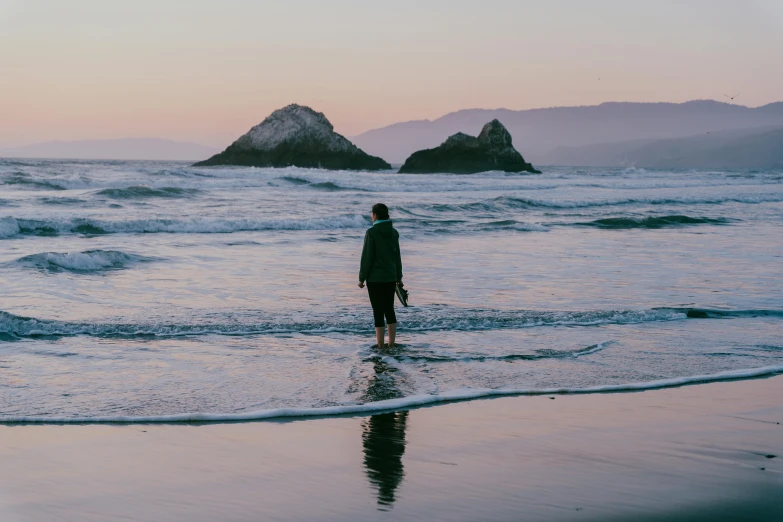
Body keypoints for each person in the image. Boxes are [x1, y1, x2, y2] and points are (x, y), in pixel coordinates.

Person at [358, 203, 403, 348]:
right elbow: (397, 257)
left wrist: (361, 278)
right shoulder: (394, 232)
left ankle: (380, 346)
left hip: (375, 279)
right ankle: (391, 343)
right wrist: (399, 277)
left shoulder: (371, 232)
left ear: (375, 215)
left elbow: (367, 257)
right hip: (390, 277)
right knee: (389, 309)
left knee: (378, 311)